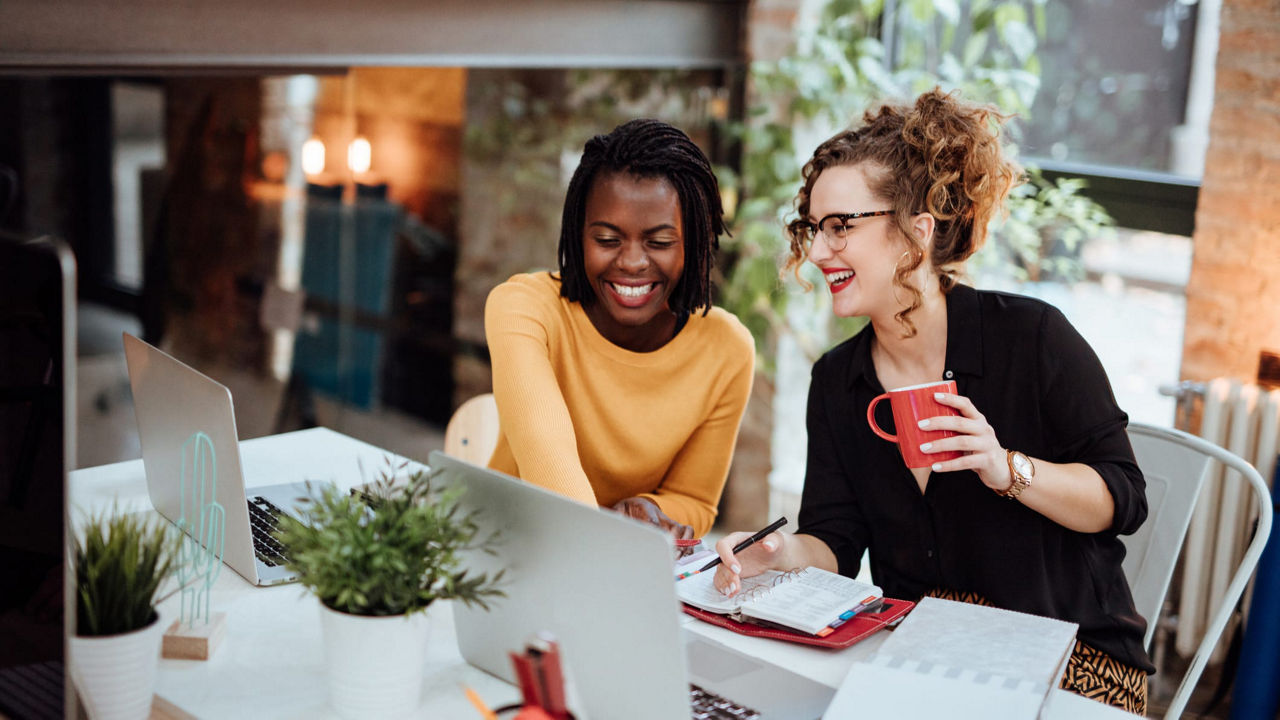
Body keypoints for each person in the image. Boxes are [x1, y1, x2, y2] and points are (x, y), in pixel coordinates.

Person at [711, 89, 1153, 713]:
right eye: (814, 228)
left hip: (1072, 659)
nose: (817, 251)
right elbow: (836, 543)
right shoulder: (838, 381)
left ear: (915, 232)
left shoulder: (1032, 338)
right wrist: (779, 555)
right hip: (926, 655)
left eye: (840, 227)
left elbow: (1123, 500)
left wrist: (1006, 469)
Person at [484, 118, 755, 543]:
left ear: (696, 243)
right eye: (607, 239)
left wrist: (653, 511)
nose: (631, 262)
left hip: (617, 563)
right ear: (578, 235)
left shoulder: (727, 349)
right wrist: (608, 532)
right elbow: (547, 460)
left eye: (660, 242)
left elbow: (694, 500)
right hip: (507, 549)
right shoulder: (524, 308)